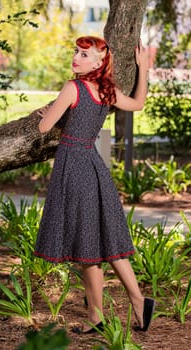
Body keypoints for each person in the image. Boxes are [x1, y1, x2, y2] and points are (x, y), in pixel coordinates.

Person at [34, 35, 154, 334]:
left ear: (100, 61)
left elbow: (44, 127)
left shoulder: (73, 87)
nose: (77, 57)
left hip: (74, 167)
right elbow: (138, 103)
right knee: (99, 244)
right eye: (76, 52)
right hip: (93, 166)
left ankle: (130, 303)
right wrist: (144, 69)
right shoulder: (107, 90)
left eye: (85, 54)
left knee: (91, 244)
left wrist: (50, 116)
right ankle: (105, 313)